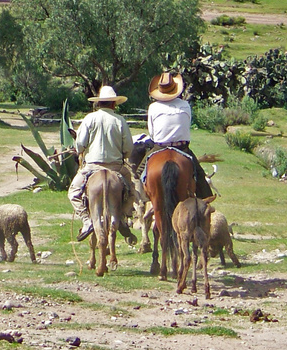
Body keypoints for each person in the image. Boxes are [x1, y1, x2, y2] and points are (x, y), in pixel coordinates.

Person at [68, 85, 138, 242]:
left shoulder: (89, 119)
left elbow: (79, 145)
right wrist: (123, 155)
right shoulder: (120, 121)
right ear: (114, 104)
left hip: (92, 167)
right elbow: (128, 148)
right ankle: (121, 217)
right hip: (116, 167)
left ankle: (87, 221)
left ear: (99, 103)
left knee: (73, 192)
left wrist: (82, 149)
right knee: (133, 192)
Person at [145, 71, 213, 199]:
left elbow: (152, 133)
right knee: (199, 175)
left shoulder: (153, 107)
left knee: (139, 172)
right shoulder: (185, 105)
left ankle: (143, 200)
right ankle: (205, 199)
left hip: (160, 147)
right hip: (182, 148)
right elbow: (186, 126)